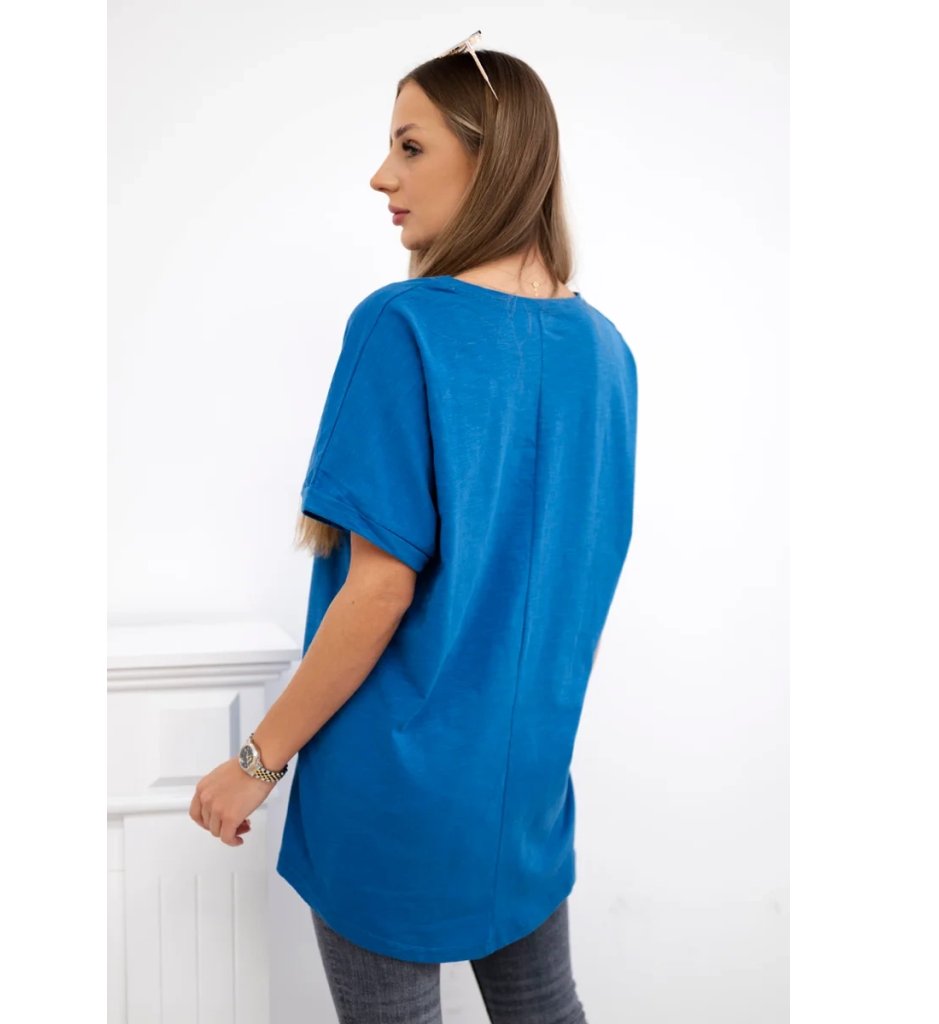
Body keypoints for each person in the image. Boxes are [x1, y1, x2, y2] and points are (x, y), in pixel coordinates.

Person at [191, 32, 637, 1024]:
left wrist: (255, 762)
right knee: (547, 1010)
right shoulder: (607, 353)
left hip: (394, 790)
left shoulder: (403, 325)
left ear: (492, 157)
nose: (381, 176)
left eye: (410, 146)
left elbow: (381, 587)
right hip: (524, 788)